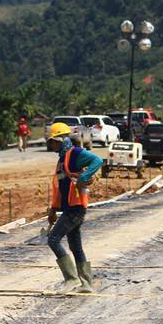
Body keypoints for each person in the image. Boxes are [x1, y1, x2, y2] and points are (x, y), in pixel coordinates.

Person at [46, 123, 102, 293]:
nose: (51, 145)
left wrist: (84, 176)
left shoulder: (75, 154)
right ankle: (86, 284)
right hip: (70, 206)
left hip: (76, 207)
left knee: (53, 239)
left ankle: (71, 279)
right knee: (75, 246)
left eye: (53, 142)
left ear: (60, 139)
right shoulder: (62, 159)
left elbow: (97, 160)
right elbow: (60, 187)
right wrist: (53, 209)